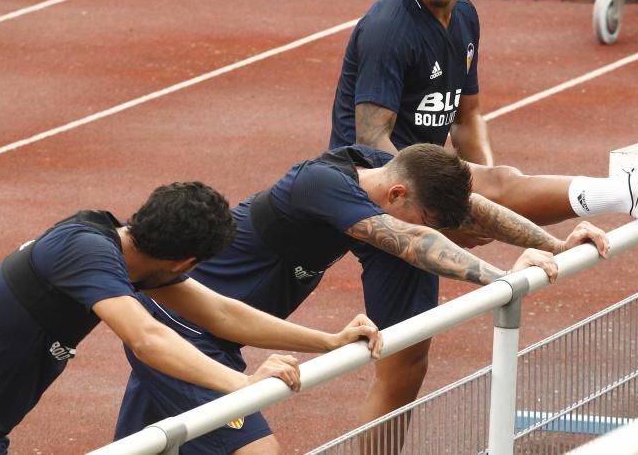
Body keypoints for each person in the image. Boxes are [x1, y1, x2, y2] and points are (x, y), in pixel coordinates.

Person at [327, 0, 638, 426]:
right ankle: (628, 192)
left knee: (407, 365)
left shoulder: (465, 18)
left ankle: (626, 192)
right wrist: (452, 203)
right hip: (381, 199)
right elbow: (373, 141)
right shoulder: (390, 29)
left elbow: (468, 120)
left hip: (423, 188)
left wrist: (475, 189)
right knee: (399, 361)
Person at [115, 144, 611, 454]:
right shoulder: (321, 185)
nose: (426, 227)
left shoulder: (374, 167)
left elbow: (474, 207)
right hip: (185, 329)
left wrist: (552, 244)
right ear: (396, 197)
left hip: (221, 331)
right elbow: (418, 243)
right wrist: (504, 279)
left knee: (141, 445)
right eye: (423, 216)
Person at [0, 182, 382, 455]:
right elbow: (147, 336)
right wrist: (242, 384)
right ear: (184, 261)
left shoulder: (124, 253)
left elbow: (220, 311)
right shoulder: (84, 250)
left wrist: (328, 341)